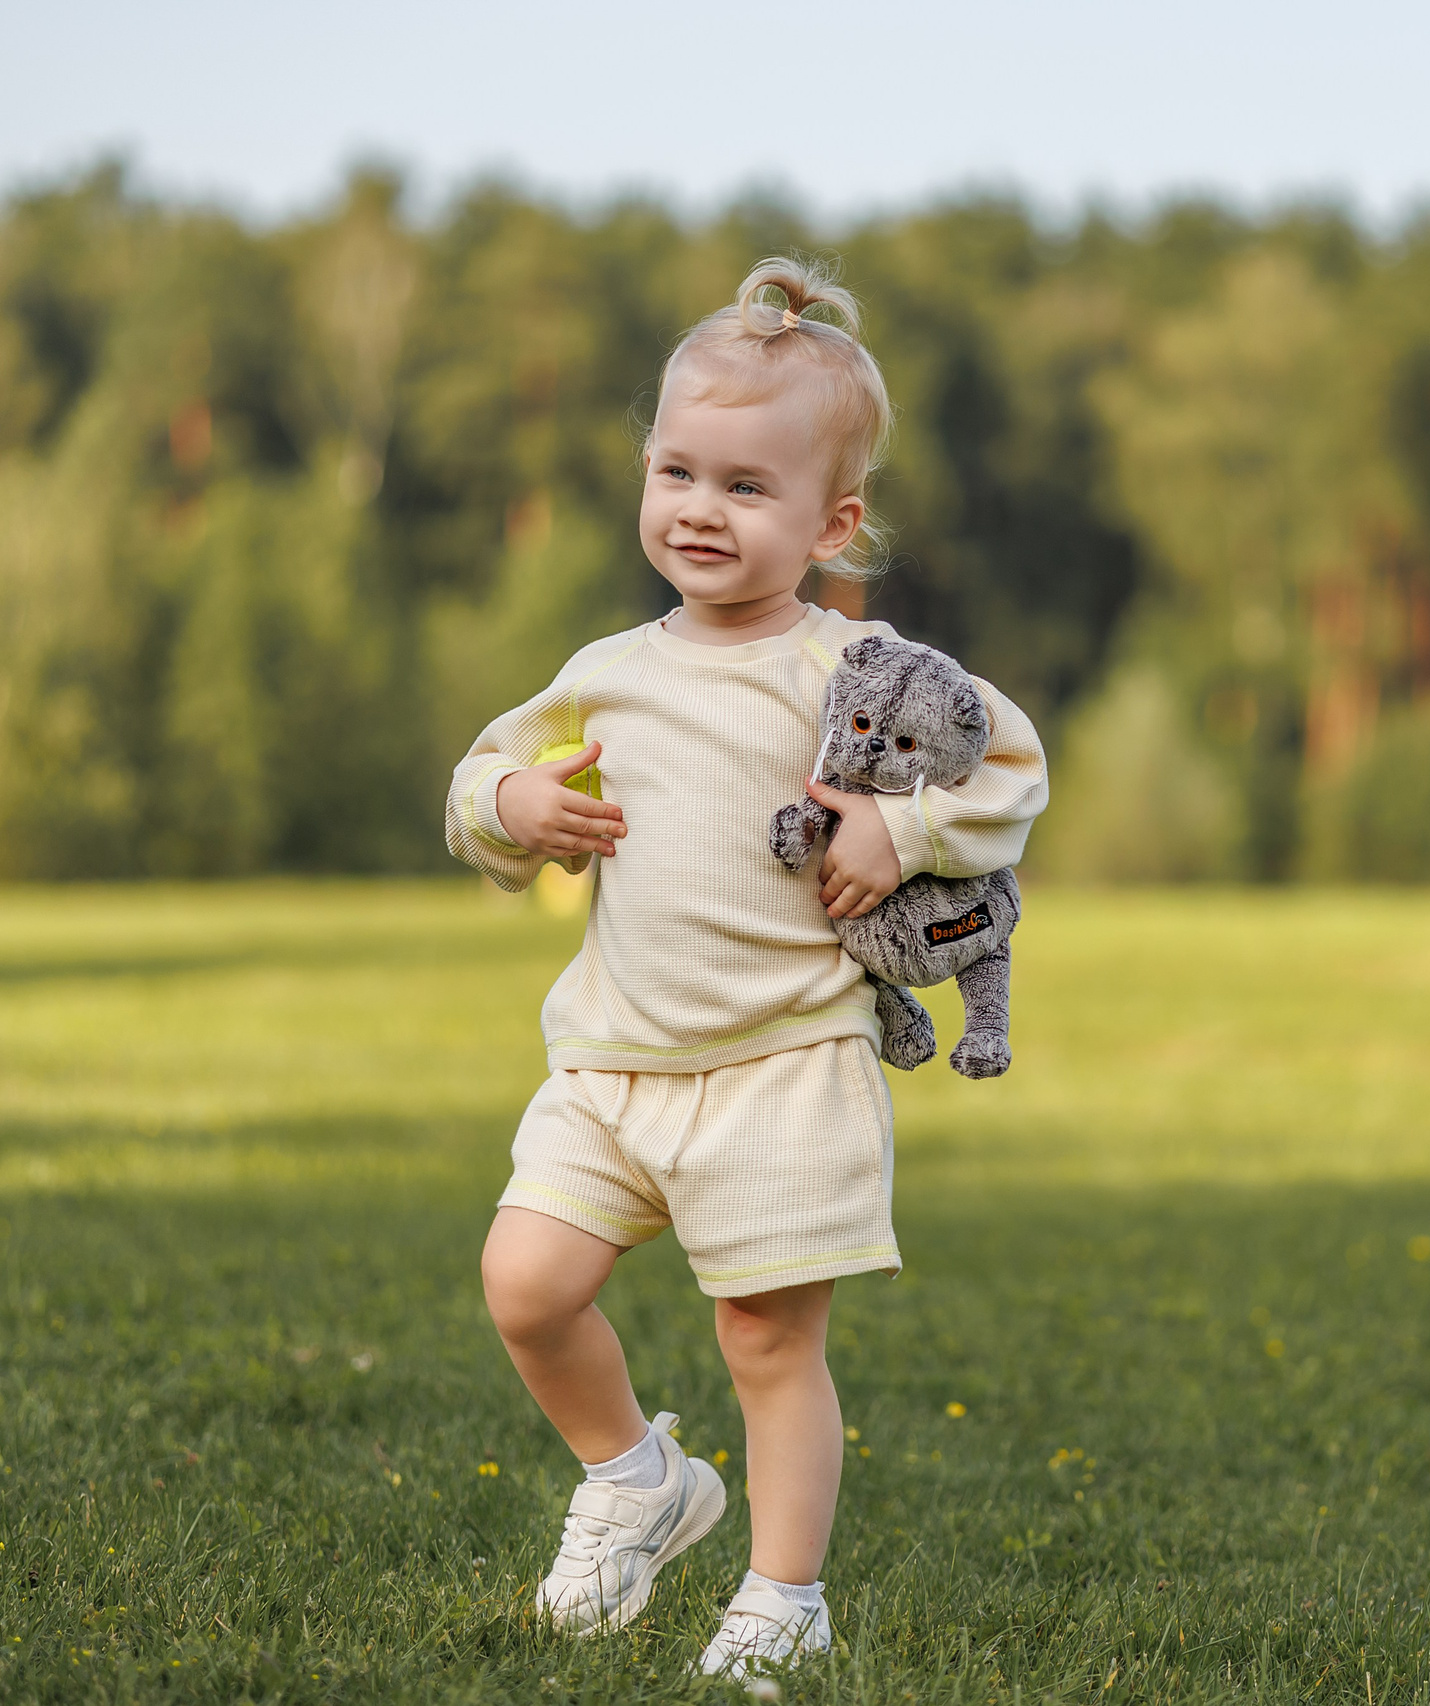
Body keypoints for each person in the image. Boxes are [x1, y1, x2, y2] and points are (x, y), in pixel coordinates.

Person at [444, 257, 1046, 1682]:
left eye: (745, 487)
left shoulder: (859, 665)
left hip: (784, 1065)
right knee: (526, 1282)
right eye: (678, 471)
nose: (700, 510)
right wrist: (515, 808)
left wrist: (901, 828)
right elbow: (482, 772)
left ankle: (784, 1592)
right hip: (610, 1061)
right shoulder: (610, 666)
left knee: (765, 1340)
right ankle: (638, 1478)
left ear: (835, 521)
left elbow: (1011, 766)